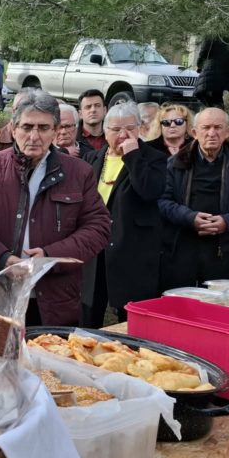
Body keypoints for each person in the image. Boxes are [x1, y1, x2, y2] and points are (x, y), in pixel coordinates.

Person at [0, 90, 111, 326]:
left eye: (43, 128)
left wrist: (49, 256)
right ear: (13, 129)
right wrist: (2, 258)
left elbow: (99, 227)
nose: (34, 136)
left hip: (54, 297)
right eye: (27, 127)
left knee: (46, 359)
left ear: (56, 131)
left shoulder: (79, 173)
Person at [158, 108, 229, 290]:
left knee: (215, 303)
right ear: (194, 132)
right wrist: (190, 218)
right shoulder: (176, 162)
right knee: (181, 301)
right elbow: (163, 201)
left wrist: (227, 221)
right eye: (206, 127)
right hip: (181, 245)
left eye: (218, 127)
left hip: (222, 247)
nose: (211, 133)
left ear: (227, 132)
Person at [80, 102, 167, 327]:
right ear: (105, 131)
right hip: (96, 248)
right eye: (116, 129)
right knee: (89, 312)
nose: (123, 134)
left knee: (130, 318)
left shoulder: (154, 158)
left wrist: (132, 156)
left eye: (130, 128)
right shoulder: (92, 159)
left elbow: (149, 191)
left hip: (133, 248)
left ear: (140, 129)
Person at [0, 87, 36, 154]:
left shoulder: (42, 138)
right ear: (13, 110)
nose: (26, 112)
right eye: (20, 108)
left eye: (31, 108)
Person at [194, 36, 229, 108]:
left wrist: (199, 64)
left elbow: (204, 51)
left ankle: (217, 113)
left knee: (214, 97)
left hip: (214, 69)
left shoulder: (211, 34)